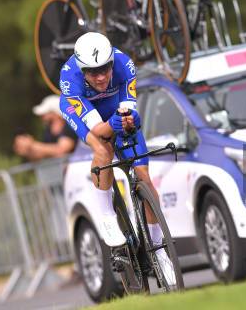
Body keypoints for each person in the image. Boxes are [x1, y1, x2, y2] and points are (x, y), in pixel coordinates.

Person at [59, 31, 175, 284]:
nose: (100, 77)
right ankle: (106, 216)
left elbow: (128, 115)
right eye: (92, 72)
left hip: (114, 108)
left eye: (105, 69)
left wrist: (129, 120)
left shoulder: (125, 66)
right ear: (82, 70)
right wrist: (115, 123)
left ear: (113, 62)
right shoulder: (70, 80)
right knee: (103, 149)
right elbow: (100, 131)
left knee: (144, 177)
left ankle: (159, 248)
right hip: (85, 114)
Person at [13, 95, 77, 161]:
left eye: (46, 113)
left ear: (55, 113)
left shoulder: (70, 127)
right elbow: (43, 155)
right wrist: (28, 151)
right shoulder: (48, 131)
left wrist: (32, 145)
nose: (42, 116)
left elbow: (61, 150)